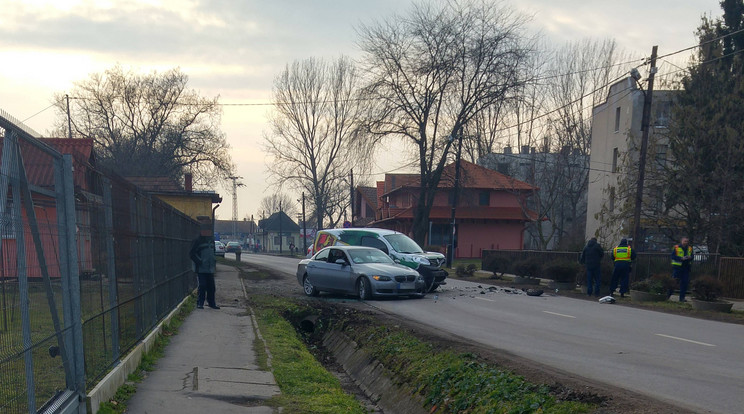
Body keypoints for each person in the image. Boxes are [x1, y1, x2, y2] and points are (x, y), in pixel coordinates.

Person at [189, 216, 220, 309]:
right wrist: (199, 261)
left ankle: (212, 303)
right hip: (201, 268)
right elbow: (192, 253)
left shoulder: (211, 240)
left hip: (210, 268)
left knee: (211, 287)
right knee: (202, 286)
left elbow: (213, 251)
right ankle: (200, 303)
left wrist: (214, 259)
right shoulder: (197, 240)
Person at [669, 237, 693, 302]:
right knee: (674, 282)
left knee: (684, 283)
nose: (686, 242)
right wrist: (681, 258)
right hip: (677, 268)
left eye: (687, 241)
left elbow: (692, 257)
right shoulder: (676, 247)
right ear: (681, 241)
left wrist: (689, 257)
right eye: (685, 241)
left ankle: (682, 298)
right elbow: (673, 256)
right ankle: (667, 296)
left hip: (686, 268)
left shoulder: (690, 248)